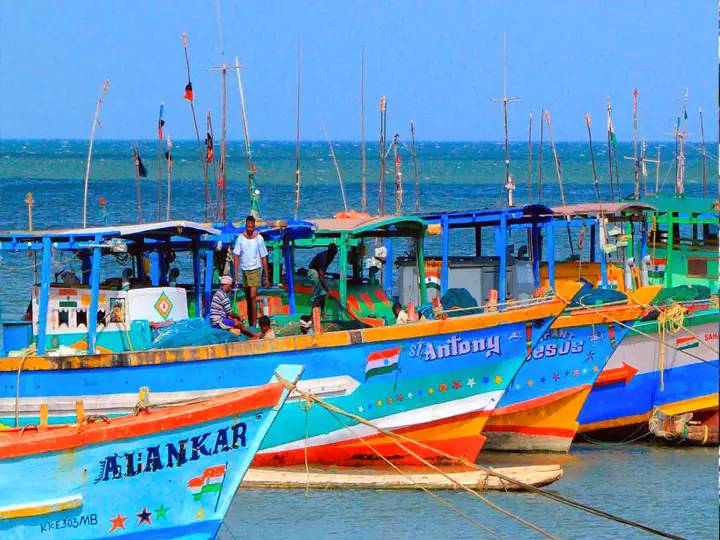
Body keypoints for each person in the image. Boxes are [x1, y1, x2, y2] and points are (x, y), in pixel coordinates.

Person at [233, 215, 270, 328]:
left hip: (256, 270)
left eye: (252, 227)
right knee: (248, 298)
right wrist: (235, 276)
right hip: (245, 271)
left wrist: (266, 277)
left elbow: (264, 257)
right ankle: (250, 323)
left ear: (254, 226)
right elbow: (236, 256)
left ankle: (254, 326)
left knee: (253, 296)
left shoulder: (259, 238)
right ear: (246, 226)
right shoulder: (240, 238)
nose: (250, 229)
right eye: (248, 227)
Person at [308, 244, 338, 312]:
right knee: (318, 291)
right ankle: (313, 313)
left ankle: (322, 311)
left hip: (319, 271)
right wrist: (328, 290)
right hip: (313, 271)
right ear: (329, 252)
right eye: (333, 254)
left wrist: (327, 290)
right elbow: (321, 275)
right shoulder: (323, 257)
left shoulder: (330, 256)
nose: (334, 256)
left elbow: (323, 270)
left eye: (335, 254)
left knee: (323, 292)